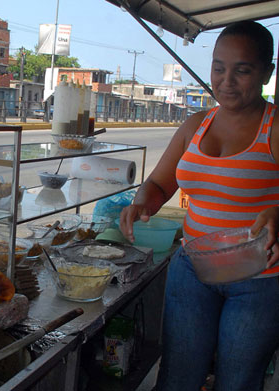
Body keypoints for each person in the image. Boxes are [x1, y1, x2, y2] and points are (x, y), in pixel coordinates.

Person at [118, 20, 279, 391]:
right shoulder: (196, 124)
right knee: (178, 378)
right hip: (193, 271)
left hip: (259, 279)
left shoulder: (274, 127)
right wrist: (142, 202)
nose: (226, 80)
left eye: (243, 70)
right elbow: (159, 183)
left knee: (237, 382)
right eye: (219, 67)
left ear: (267, 72)